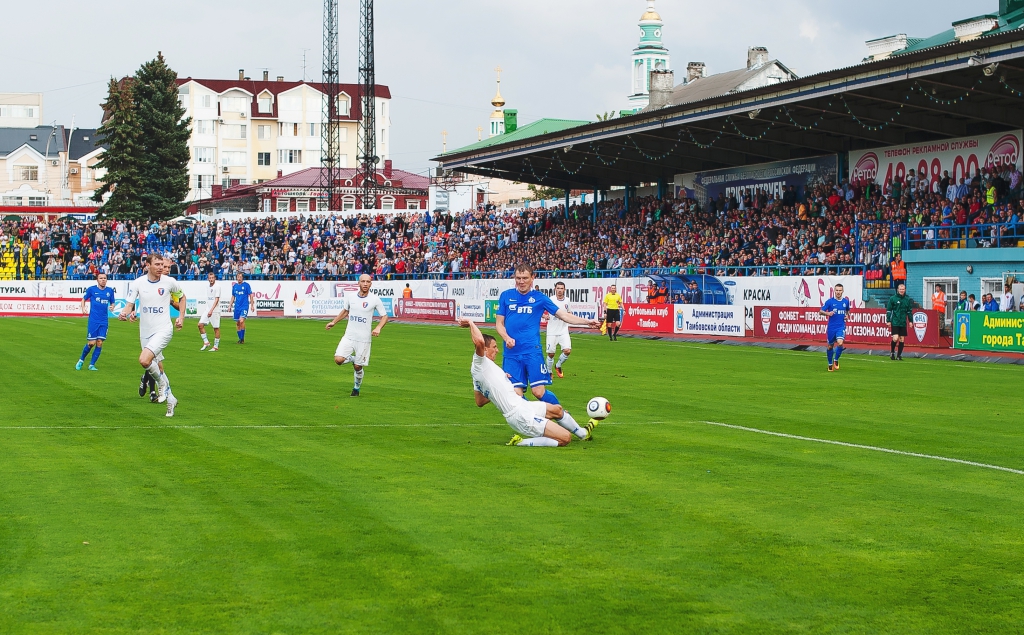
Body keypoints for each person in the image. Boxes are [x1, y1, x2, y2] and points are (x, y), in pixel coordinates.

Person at [461, 317, 591, 447]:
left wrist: (498, 387)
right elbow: (479, 341)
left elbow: (480, 401)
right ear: (484, 349)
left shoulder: (483, 371)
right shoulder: (480, 363)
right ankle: (521, 442)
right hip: (519, 415)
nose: (497, 350)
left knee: (557, 409)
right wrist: (471, 323)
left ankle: (583, 434)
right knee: (565, 438)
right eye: (494, 347)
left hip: (523, 405)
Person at [495, 264, 600, 405]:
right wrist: (506, 338)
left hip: (532, 351)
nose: (521, 281)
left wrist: (587, 322)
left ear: (533, 278)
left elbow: (563, 315)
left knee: (538, 392)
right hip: (511, 354)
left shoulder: (540, 298)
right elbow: (499, 324)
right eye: (518, 278)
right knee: (515, 396)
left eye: (525, 278)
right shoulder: (506, 296)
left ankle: (561, 414)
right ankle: (536, 419)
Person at [119, 253, 185, 417]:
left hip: (163, 329)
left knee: (144, 359)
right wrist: (124, 313)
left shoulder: (169, 282)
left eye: (162, 264)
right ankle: (171, 399)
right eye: (157, 264)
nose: (161, 267)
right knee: (158, 366)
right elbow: (129, 305)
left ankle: (161, 385)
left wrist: (181, 317)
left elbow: (182, 298)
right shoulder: (138, 283)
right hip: (145, 331)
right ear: (147, 265)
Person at [325, 273, 388, 397]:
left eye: (368, 282)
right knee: (338, 360)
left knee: (358, 367)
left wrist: (378, 327)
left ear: (371, 284)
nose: (365, 284)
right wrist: (334, 322)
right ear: (358, 283)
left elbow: (384, 316)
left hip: (364, 339)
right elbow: (345, 311)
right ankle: (353, 359)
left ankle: (356, 388)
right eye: (363, 281)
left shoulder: (374, 299)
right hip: (349, 335)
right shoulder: (351, 297)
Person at [76, 272, 115, 371]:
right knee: (91, 343)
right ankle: (81, 360)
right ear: (97, 280)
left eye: (105, 278)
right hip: (93, 320)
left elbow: (113, 302)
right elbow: (83, 299)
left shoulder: (110, 291)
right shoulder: (92, 289)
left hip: (104, 321)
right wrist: (83, 308)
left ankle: (91, 365)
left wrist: (112, 306)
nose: (103, 280)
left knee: (99, 342)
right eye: (101, 278)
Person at [819, 283, 851, 372]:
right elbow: (820, 311)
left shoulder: (846, 302)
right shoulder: (830, 302)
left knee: (840, 343)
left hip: (841, 326)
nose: (838, 292)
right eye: (837, 290)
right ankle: (830, 364)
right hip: (831, 328)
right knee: (830, 346)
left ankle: (836, 359)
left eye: (840, 290)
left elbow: (848, 310)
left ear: (842, 291)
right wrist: (827, 313)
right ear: (834, 291)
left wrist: (847, 316)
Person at [545, 281, 573, 379]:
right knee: (551, 354)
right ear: (555, 289)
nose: (560, 290)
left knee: (567, 351)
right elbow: (543, 310)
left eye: (562, 288)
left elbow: (569, 312)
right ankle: (549, 371)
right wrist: (545, 316)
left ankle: (558, 365)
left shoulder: (567, 300)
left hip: (563, 330)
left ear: (564, 290)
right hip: (552, 331)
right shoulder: (550, 300)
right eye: (558, 288)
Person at [886, 283, 914, 361]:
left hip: (903, 322)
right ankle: (892, 352)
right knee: (895, 338)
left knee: (902, 339)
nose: (902, 291)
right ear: (898, 290)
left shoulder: (907, 299)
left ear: (905, 290)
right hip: (895, 321)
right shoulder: (893, 298)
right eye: (900, 289)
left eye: (903, 289)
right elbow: (889, 310)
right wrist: (888, 320)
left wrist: (911, 321)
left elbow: (909, 311)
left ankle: (899, 355)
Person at [198, 271, 222, 351]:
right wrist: (209, 309)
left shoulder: (217, 287)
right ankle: (206, 342)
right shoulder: (207, 286)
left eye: (212, 278)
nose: (211, 279)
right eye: (210, 278)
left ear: (215, 278)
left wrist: (211, 310)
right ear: (208, 279)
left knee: (216, 328)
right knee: (200, 325)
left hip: (215, 310)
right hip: (208, 309)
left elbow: (216, 299)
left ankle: (216, 346)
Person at [228, 272, 254, 344]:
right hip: (237, 307)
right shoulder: (235, 286)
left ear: (242, 278)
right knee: (238, 323)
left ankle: (242, 338)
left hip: (244, 306)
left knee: (241, 320)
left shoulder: (246, 285)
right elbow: (233, 296)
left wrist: (252, 305)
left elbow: (251, 295)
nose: (239, 278)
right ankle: (240, 339)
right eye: (238, 277)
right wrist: (230, 305)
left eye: (240, 277)